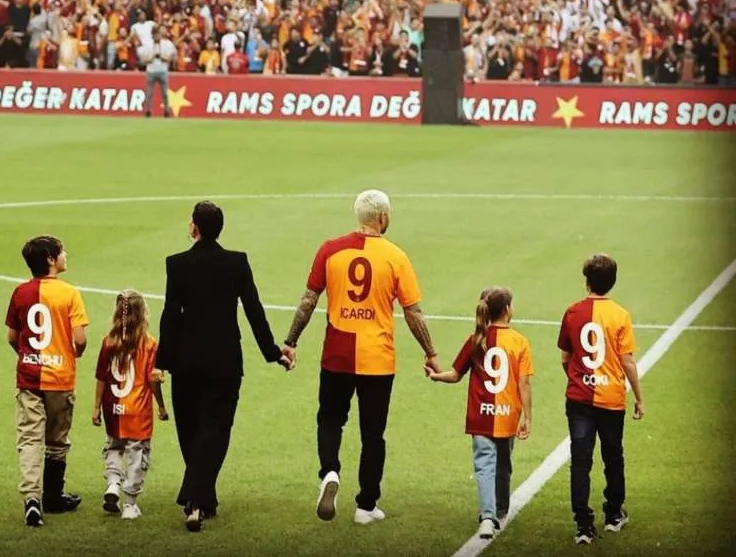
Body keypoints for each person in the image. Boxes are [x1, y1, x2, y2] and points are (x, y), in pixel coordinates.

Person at [282, 189, 440, 525]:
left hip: (337, 354)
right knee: (373, 433)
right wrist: (431, 353)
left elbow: (308, 300)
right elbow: (414, 313)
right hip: (377, 359)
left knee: (330, 420)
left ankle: (329, 472)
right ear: (382, 218)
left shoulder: (330, 250)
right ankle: (366, 505)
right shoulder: (396, 257)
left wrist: (291, 341)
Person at [156, 201, 293, 532]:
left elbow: (171, 316)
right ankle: (202, 497)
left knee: (190, 430)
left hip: (186, 361)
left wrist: (161, 362)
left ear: (195, 228)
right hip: (224, 361)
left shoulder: (177, 264)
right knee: (215, 429)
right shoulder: (236, 263)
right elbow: (253, 310)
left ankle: (196, 497)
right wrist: (273, 352)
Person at [427, 287, 533, 541]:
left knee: (485, 465)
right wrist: (527, 417)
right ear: (507, 310)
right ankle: (500, 510)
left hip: (480, 416)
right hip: (507, 415)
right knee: (503, 465)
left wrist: (435, 376)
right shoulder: (519, 342)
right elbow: (524, 384)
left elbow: (454, 375)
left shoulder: (476, 340)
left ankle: (488, 517)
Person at [558, 254, 644, 545]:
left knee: (580, 461)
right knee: (613, 456)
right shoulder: (620, 315)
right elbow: (627, 362)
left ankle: (583, 525)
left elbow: (565, 358)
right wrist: (639, 397)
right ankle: (613, 514)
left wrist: (578, 378)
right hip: (610, 399)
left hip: (579, 398)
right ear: (613, 282)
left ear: (587, 282)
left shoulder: (572, 312)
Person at [5, 235, 89, 527]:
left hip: (28, 377)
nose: (66, 254)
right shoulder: (69, 293)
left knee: (29, 438)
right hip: (60, 377)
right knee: (57, 440)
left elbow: (13, 338)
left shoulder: (20, 293)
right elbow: (80, 339)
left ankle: (32, 498)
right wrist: (70, 354)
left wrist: (29, 356)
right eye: (61, 252)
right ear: (51, 260)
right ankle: (54, 496)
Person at [92, 289, 169, 520]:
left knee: (113, 447)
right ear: (143, 313)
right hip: (137, 411)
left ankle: (113, 483)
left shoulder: (109, 342)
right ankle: (130, 504)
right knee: (138, 454)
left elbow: (101, 378)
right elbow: (153, 380)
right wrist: (162, 406)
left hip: (113, 409)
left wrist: (96, 407)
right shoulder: (149, 344)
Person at [139, 26, 177, 118]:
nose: (157, 36)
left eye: (158, 34)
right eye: (155, 35)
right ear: (152, 36)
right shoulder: (147, 45)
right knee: (149, 93)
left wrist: (163, 58)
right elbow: (143, 60)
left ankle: (166, 111)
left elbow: (172, 56)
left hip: (163, 70)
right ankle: (148, 110)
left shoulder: (167, 44)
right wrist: (150, 58)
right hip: (151, 70)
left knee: (165, 93)